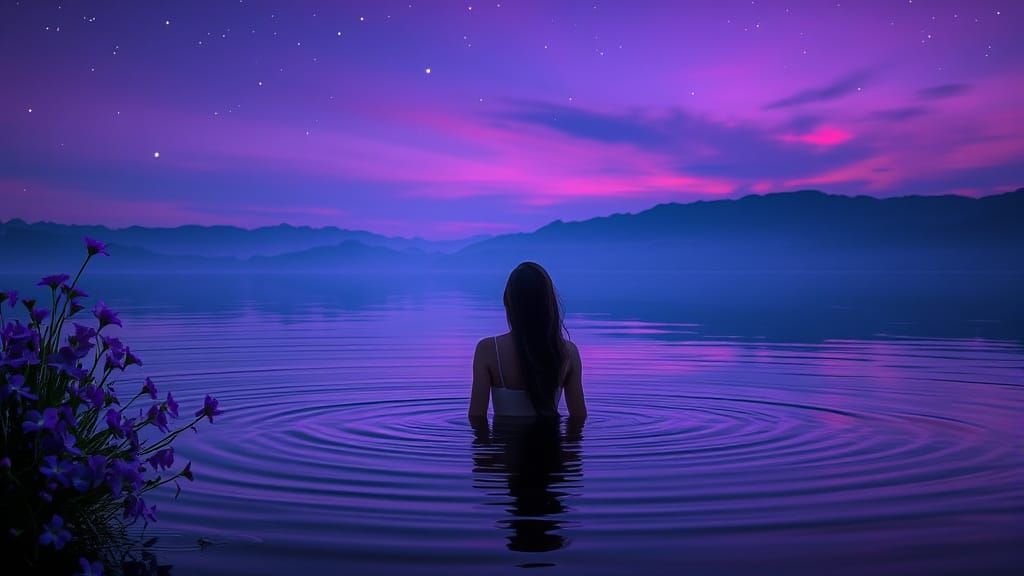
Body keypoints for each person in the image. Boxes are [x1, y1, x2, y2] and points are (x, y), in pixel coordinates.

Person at [468, 262, 587, 421]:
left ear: (508, 302)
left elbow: (476, 418)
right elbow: (579, 419)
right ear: (548, 303)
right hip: (550, 445)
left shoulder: (488, 350)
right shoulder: (568, 352)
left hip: (505, 444)